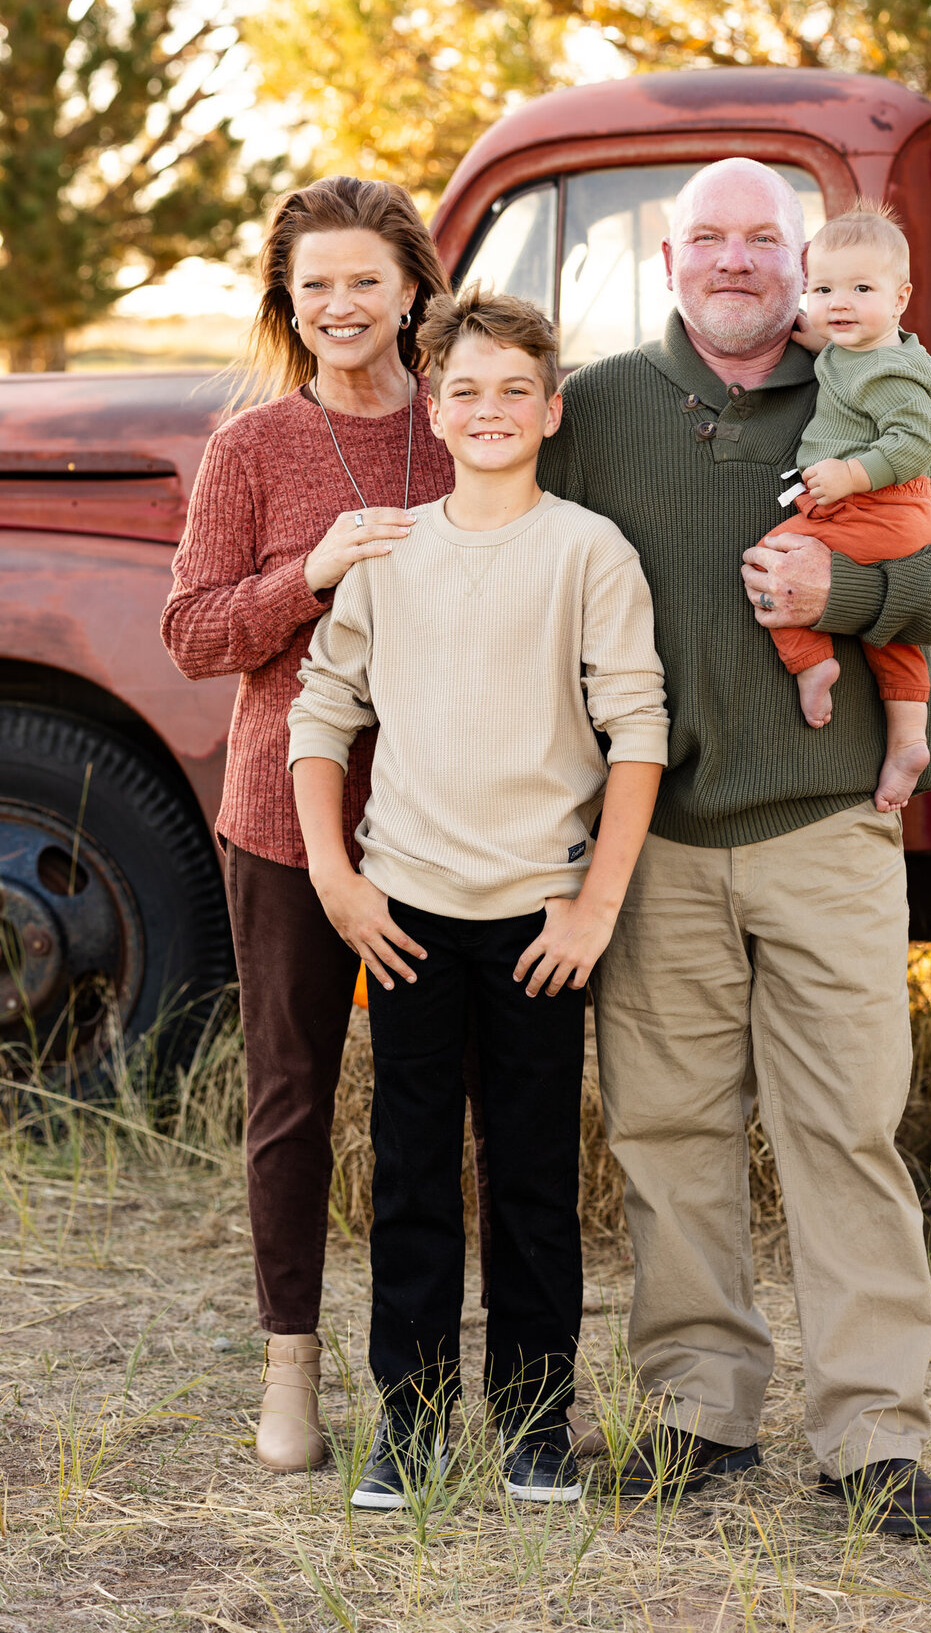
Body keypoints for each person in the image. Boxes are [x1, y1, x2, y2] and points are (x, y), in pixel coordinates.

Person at [537, 156, 931, 1536]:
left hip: (826, 826)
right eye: (712, 240)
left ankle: (872, 1435)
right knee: (668, 1129)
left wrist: (851, 589)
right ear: (670, 259)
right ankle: (698, 1411)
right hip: (659, 841)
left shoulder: (872, 380)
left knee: (846, 1130)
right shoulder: (605, 409)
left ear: (804, 262)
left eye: (765, 239)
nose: (738, 262)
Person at [286, 286, 668, 1509]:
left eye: (516, 390)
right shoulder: (390, 551)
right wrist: (337, 878)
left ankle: (535, 1421)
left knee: (535, 1179)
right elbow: (322, 715)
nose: (491, 409)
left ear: (552, 410)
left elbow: (638, 731)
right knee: (408, 1177)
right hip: (402, 914)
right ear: (433, 413)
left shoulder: (587, 551)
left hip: (539, 922)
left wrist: (595, 907)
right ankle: (411, 1422)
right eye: (466, 391)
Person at [162, 176, 452, 1473]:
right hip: (285, 822)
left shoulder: (465, 426)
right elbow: (193, 633)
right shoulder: (250, 449)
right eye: (315, 283)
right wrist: (311, 573)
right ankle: (291, 1373)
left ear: (410, 290)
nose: (341, 304)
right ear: (287, 299)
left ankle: (438, 1375)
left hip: (448, 822)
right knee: (293, 1095)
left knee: (440, 1104)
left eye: (365, 280)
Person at [762, 203, 931, 814]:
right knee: (891, 638)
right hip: (874, 509)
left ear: (900, 298)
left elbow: (914, 446)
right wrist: (806, 331)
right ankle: (909, 742)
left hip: (880, 505)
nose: (838, 302)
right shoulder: (853, 351)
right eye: (823, 288)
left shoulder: (897, 371)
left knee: (773, 561)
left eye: (860, 288)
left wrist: (849, 473)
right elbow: (834, 358)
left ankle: (811, 664)